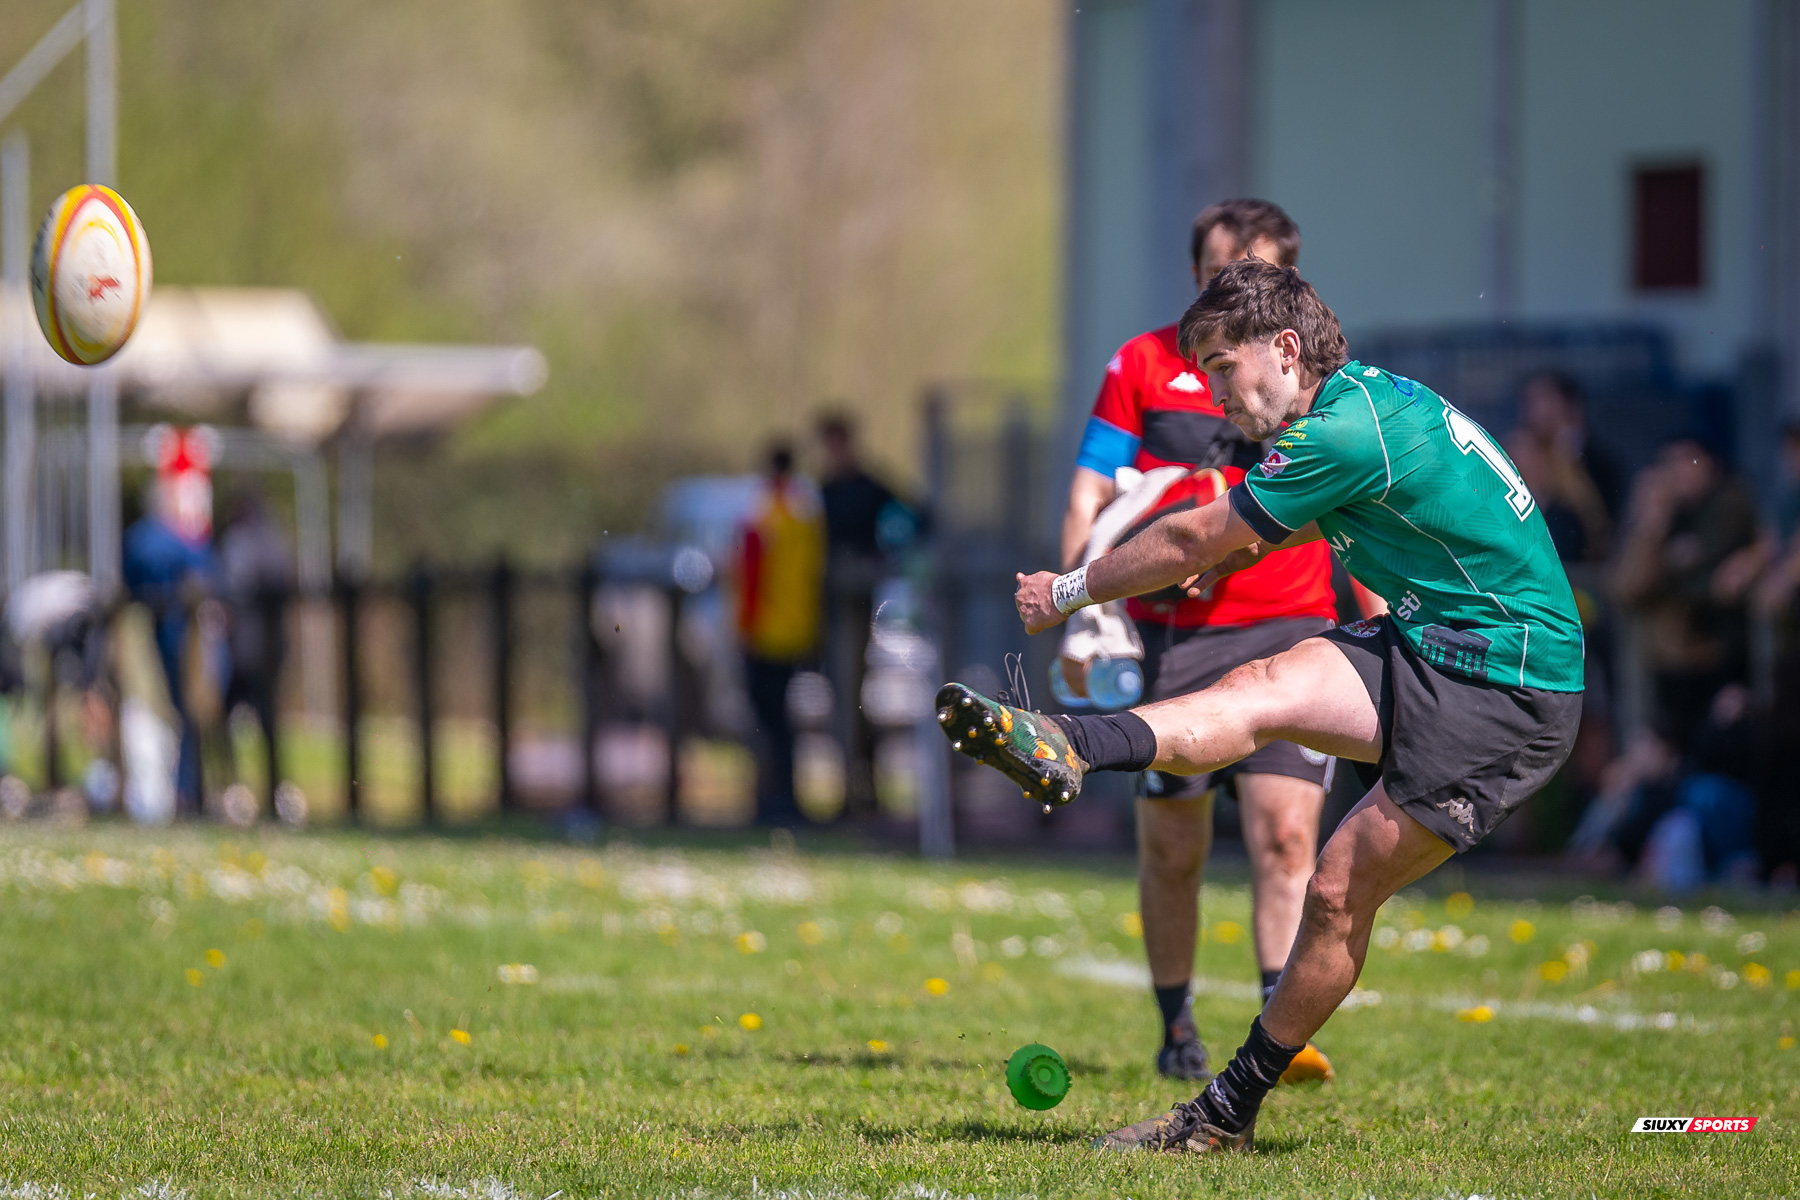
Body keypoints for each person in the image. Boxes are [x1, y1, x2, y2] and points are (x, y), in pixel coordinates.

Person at [936, 259, 1583, 1152]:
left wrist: (1070, 589)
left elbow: (1197, 534)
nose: (1214, 395)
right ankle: (1066, 744)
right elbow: (1275, 530)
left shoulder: (1343, 432)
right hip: (1433, 640)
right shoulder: (1356, 407)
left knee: (1333, 890)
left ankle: (1223, 1114)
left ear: (1283, 349)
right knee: (1257, 688)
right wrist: (1225, 555)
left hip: (1509, 688)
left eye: (1221, 368)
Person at [1057, 198, 1339, 1083]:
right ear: (1196, 274)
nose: (1237, 282)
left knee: (1287, 836)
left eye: (1256, 266)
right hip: (1176, 639)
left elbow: (1345, 506)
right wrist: (1082, 604)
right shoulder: (1143, 364)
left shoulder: (1320, 380)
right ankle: (1177, 1027)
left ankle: (1278, 1031)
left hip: (1294, 620)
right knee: (1174, 846)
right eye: (1223, 267)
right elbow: (1090, 493)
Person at [1610, 435, 1757, 748]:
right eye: (1671, 464)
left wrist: (1671, 568)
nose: (1679, 473)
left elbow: (1708, 585)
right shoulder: (1671, 516)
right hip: (1673, 667)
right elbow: (1626, 588)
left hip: (1723, 657)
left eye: (1688, 462)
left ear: (1711, 465)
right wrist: (1652, 523)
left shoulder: (1728, 503)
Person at [815, 413, 909, 818]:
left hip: (857, 600)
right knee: (843, 696)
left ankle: (861, 789)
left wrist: (885, 557)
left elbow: (916, 516)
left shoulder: (867, 486)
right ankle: (853, 787)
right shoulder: (822, 490)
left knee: (854, 693)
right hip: (830, 602)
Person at [735, 443, 825, 826]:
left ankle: (769, 799)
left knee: (766, 723)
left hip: (765, 633)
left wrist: (744, 628)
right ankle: (788, 798)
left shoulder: (762, 518)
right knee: (786, 723)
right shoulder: (806, 520)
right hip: (798, 631)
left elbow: (751, 581)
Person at [217, 490, 295, 810]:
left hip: (241, 650)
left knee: (226, 718)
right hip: (274, 649)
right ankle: (276, 787)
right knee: (269, 720)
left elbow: (233, 587)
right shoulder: (278, 543)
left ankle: (234, 788)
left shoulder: (238, 542)